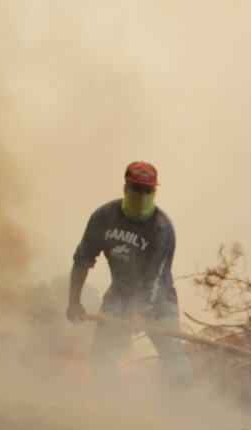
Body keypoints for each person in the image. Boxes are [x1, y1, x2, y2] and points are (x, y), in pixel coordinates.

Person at [66, 161, 193, 388]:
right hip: (120, 293)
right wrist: (74, 300)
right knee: (102, 355)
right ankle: (108, 400)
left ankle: (181, 404)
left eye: (148, 190)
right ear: (126, 187)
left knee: (174, 359)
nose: (142, 195)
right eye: (136, 189)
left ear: (154, 191)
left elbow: (156, 279)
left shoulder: (162, 228)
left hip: (159, 299)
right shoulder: (104, 217)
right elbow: (82, 259)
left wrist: (140, 311)